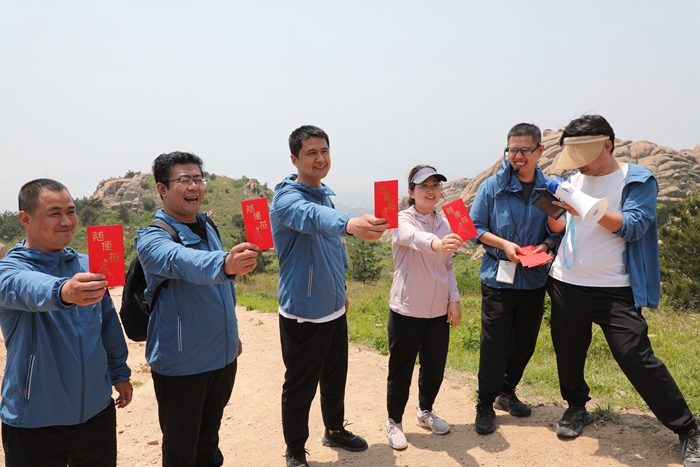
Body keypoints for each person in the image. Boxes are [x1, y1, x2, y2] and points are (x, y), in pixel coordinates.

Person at [547, 115, 700, 467]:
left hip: (614, 288)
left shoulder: (637, 179)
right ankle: (576, 407)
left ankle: (687, 428)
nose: (579, 163)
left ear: (607, 145)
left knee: (637, 358)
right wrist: (554, 210)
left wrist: (585, 207)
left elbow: (633, 227)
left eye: (584, 154)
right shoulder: (575, 178)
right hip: (566, 282)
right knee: (568, 352)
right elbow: (564, 226)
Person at [270, 125, 389, 467]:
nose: (320, 158)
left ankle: (334, 430)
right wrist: (350, 223)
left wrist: (342, 290)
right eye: (311, 152)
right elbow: (313, 218)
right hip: (304, 312)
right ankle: (295, 449)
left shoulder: (323, 192)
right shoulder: (287, 199)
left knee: (335, 377)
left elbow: (331, 249)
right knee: (300, 385)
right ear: (294, 159)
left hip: (334, 307)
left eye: (324, 151)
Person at [135, 152, 259, 467]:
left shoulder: (207, 224)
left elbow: (222, 291)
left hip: (222, 357)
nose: (194, 186)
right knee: (181, 450)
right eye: (184, 180)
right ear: (162, 189)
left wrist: (231, 334)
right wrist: (226, 262)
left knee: (208, 441)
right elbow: (183, 261)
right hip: (182, 364)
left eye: (198, 179)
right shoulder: (153, 237)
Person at [0, 179, 132, 467]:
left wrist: (119, 372)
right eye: (54, 213)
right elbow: (27, 287)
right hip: (35, 421)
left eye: (71, 212)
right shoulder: (8, 270)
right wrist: (64, 291)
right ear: (25, 218)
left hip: (96, 412)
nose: (66, 221)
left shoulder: (88, 264)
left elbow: (107, 323)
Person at [469, 123, 565, 434]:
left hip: (534, 277)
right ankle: (485, 403)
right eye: (512, 149)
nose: (518, 156)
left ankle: (506, 392)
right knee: (494, 343)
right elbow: (475, 228)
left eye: (525, 149)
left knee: (525, 342)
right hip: (498, 277)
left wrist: (545, 246)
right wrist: (504, 245)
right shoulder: (493, 187)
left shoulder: (547, 190)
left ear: (540, 150)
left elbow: (556, 231)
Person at [384, 165, 463, 450]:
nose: (431, 190)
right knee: (401, 368)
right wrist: (437, 243)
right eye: (423, 186)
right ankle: (394, 421)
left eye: (435, 185)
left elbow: (448, 265)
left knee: (434, 366)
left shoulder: (445, 222)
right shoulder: (400, 219)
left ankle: (425, 411)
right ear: (411, 192)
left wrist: (454, 299)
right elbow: (413, 237)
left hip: (438, 310)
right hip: (407, 309)